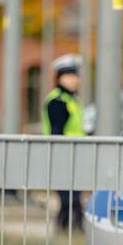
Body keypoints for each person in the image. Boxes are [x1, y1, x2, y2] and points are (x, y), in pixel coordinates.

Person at [42, 54, 86, 231]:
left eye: (76, 76)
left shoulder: (72, 100)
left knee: (73, 202)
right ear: (60, 78)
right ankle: (67, 236)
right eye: (71, 76)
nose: (75, 80)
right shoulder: (57, 101)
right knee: (70, 202)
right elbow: (57, 131)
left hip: (75, 157)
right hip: (62, 158)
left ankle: (67, 236)